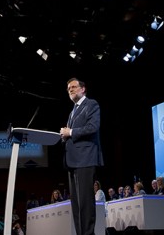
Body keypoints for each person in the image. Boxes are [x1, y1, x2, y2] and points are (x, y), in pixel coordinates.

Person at [60, 77, 104, 235]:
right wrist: (64, 136)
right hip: (72, 161)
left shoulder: (91, 104)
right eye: (68, 88)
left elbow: (93, 127)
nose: (70, 90)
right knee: (77, 206)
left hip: (85, 159)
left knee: (85, 204)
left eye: (73, 87)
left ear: (83, 89)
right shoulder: (72, 112)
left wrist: (70, 132)